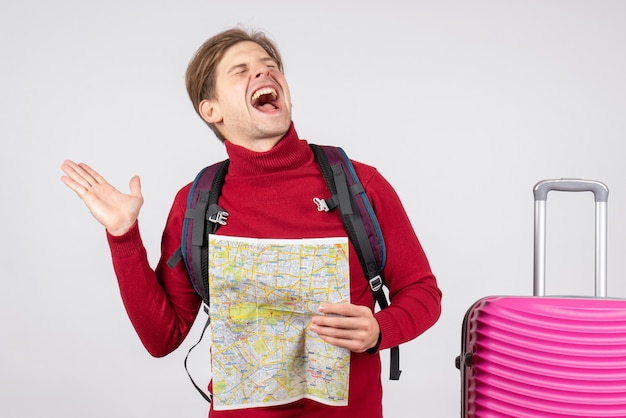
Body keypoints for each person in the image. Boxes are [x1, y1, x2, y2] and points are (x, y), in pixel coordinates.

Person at [61, 27, 442, 417]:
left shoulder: (360, 184)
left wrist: (381, 329)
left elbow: (423, 293)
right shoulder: (195, 203)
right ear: (211, 109)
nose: (263, 74)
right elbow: (161, 338)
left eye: (270, 66)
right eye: (240, 70)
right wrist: (122, 236)